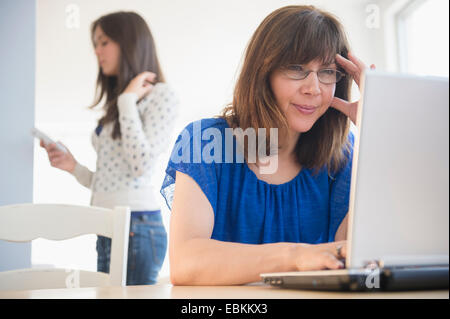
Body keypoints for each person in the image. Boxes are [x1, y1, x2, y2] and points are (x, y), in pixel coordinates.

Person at [160, 5, 375, 285]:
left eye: (327, 72)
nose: (314, 88)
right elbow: (186, 263)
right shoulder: (205, 142)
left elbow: (360, 257)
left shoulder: (343, 154)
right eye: (297, 69)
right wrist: (295, 257)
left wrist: (377, 133)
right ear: (264, 74)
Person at [40, 11, 179, 285]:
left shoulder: (161, 96)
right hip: (106, 225)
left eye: (104, 42)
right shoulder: (120, 103)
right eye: (96, 43)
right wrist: (73, 167)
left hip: (136, 228)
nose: (97, 51)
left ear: (128, 43)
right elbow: (111, 181)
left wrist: (127, 101)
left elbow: (141, 165)